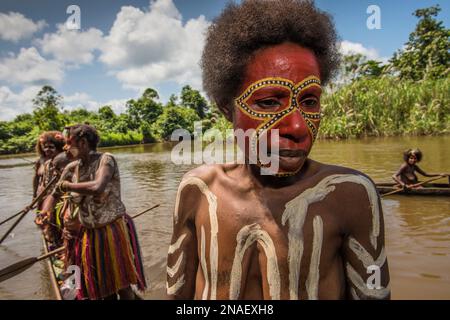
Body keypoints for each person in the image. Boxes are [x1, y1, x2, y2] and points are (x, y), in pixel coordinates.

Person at [166, 0, 389, 300]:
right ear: (226, 110)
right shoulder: (197, 191)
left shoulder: (350, 195)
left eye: (310, 101)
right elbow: (176, 295)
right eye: (269, 102)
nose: (297, 127)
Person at [41, 124, 146, 300]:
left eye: (69, 143)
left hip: (111, 231)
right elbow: (54, 193)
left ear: (83, 143)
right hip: (88, 234)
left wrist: (68, 186)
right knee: (102, 287)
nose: (65, 148)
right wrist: (43, 212)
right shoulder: (72, 168)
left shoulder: (106, 160)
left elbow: (98, 187)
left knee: (122, 284)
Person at [32, 131, 65, 204]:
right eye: (45, 147)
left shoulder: (63, 161)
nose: (47, 150)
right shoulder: (40, 161)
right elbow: (36, 178)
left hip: (59, 196)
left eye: (51, 147)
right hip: (42, 195)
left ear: (59, 148)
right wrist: (34, 195)